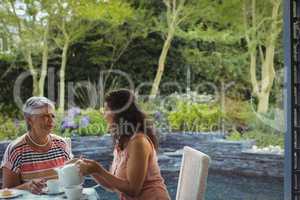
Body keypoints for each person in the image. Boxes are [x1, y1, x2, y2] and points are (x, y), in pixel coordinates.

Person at [76, 89, 170, 200]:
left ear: (120, 113)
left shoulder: (138, 142)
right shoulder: (121, 142)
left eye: (106, 110)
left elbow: (133, 190)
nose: (103, 115)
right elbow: (113, 186)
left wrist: (99, 170)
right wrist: (92, 171)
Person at [1, 97, 73, 194]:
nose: (51, 120)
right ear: (29, 119)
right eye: (45, 116)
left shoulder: (61, 144)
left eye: (52, 116)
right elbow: (6, 192)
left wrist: (77, 169)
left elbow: (71, 181)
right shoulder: (16, 150)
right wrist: (27, 186)